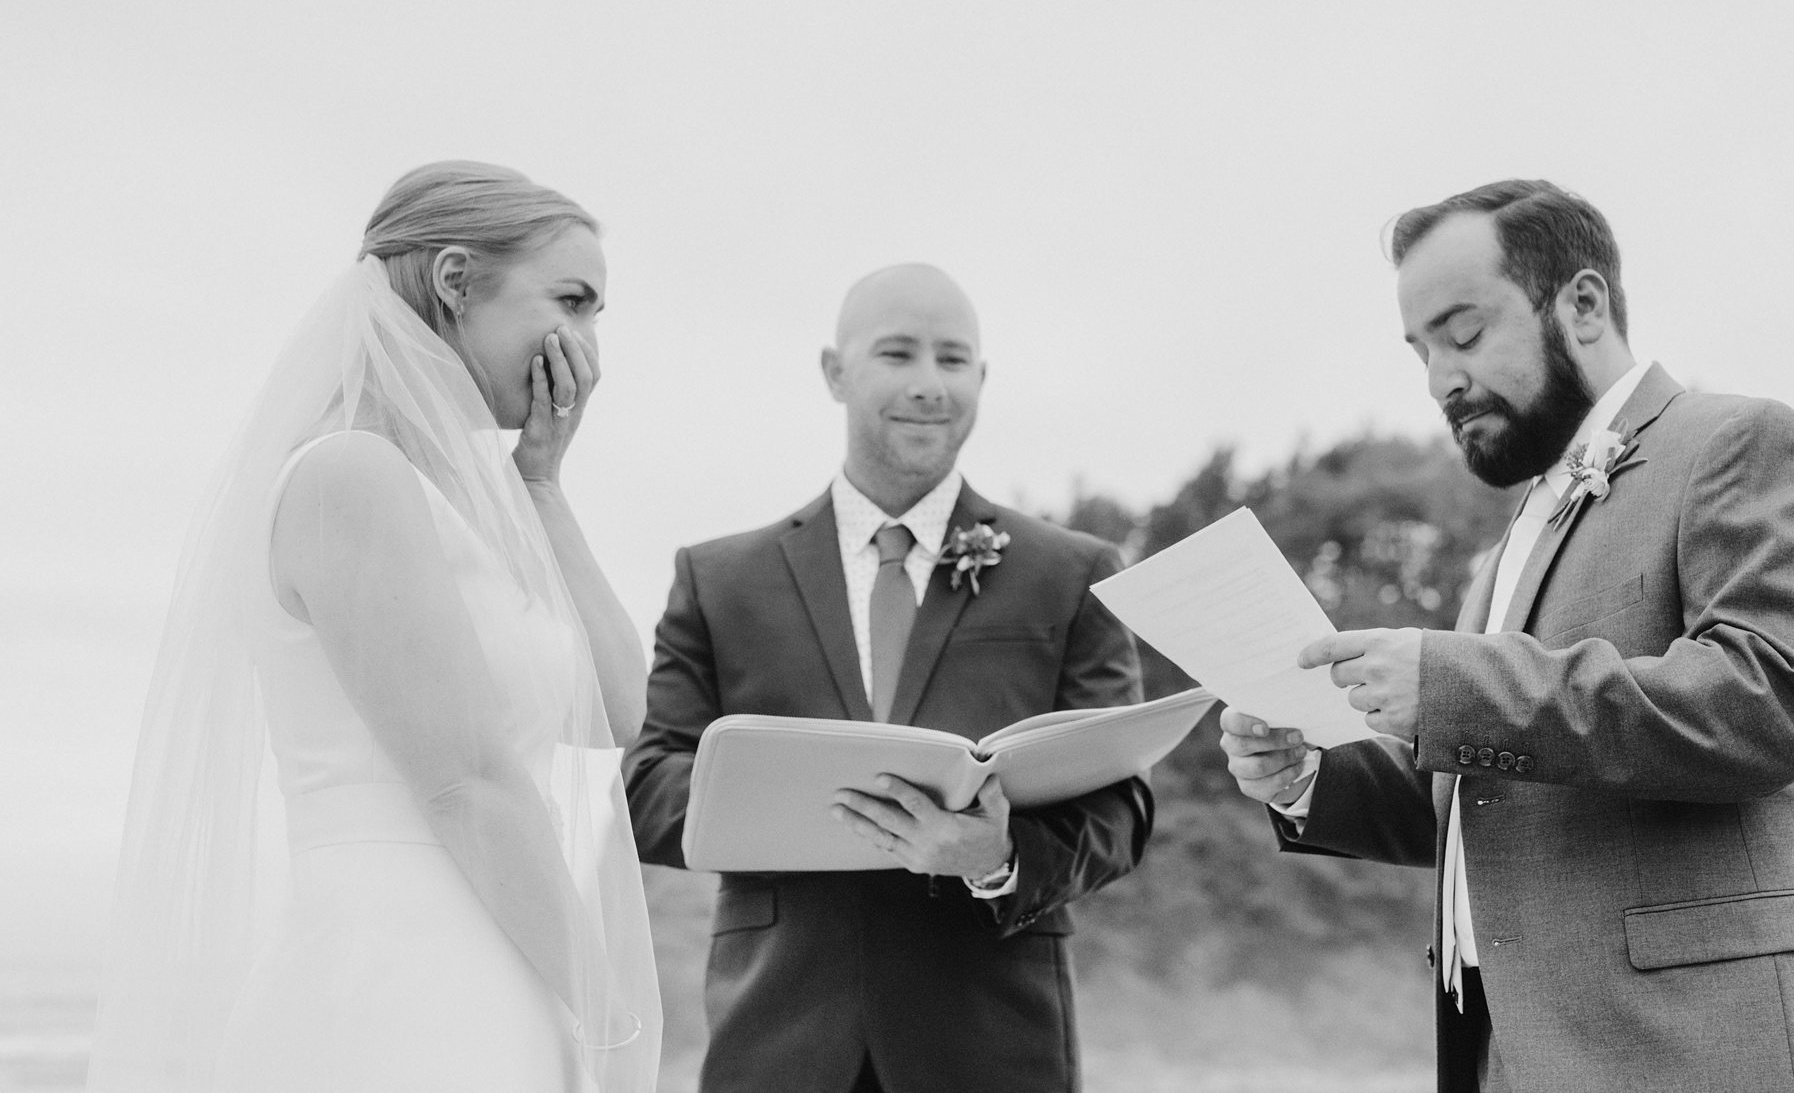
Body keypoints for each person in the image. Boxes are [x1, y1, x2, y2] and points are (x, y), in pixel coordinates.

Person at [1219, 180, 1794, 1092]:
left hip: (1713, 1045)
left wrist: (1447, 681)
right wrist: (1309, 776)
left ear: (1582, 304)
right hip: (1515, 1054)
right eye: (1421, 351)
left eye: (1464, 334)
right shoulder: (1504, 550)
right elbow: (1486, 799)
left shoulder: (1743, 442)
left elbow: (1769, 703)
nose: (1441, 380)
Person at [87, 162, 662, 1093]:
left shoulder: (470, 506)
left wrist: (543, 486)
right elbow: (465, 782)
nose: (589, 344)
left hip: (504, 961)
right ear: (453, 280)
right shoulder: (346, 474)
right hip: (400, 982)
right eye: (572, 299)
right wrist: (613, 1016)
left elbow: (618, 707)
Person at [623, 263, 1151, 1093]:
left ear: (982, 376)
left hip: (993, 1043)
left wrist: (1000, 853)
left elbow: (1123, 806)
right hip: (778, 1040)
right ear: (835, 371)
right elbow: (650, 783)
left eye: (953, 359)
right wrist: (790, 799)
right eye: (898, 354)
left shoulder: (1071, 571)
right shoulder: (719, 579)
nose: (929, 385)